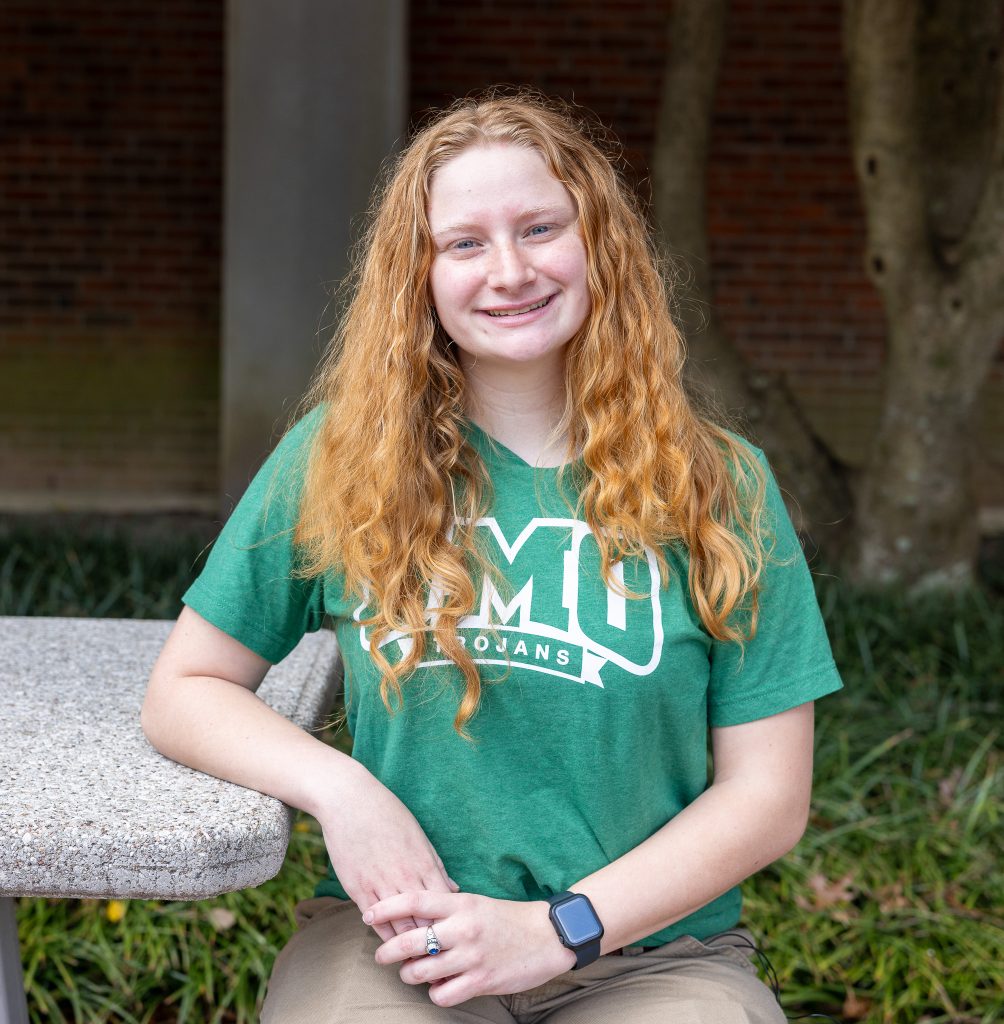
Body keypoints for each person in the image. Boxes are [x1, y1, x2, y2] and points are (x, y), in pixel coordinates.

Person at [141, 90, 842, 1023]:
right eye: (464, 242)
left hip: (652, 960)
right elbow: (186, 689)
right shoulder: (340, 460)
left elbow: (768, 796)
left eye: (541, 227)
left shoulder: (721, 485)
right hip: (404, 948)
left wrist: (559, 929)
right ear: (418, 277)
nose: (508, 270)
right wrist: (338, 788)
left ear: (600, 246)